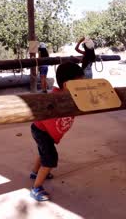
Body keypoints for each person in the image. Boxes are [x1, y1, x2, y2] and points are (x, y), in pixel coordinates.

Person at [29, 62, 85, 201]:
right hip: (42, 130)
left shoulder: (71, 95)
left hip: (41, 130)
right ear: (67, 85)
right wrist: (54, 137)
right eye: (79, 83)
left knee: (43, 152)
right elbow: (49, 118)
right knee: (49, 159)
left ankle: (35, 173)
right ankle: (36, 188)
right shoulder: (56, 98)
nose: (82, 86)